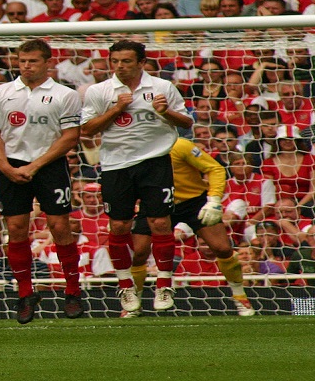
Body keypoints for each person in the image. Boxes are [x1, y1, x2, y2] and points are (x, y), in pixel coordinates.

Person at [80, 40, 193, 313]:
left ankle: (164, 284)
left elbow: (187, 122)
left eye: (127, 61)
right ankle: (126, 285)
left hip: (155, 162)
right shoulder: (99, 91)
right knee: (119, 226)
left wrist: (166, 112)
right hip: (115, 165)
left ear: (142, 63)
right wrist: (116, 109)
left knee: (160, 223)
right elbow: (87, 129)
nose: (120, 66)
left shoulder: (162, 87)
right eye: (115, 61)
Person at [0, 39, 84, 322]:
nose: (26, 66)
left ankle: (73, 291)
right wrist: (5, 166)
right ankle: (25, 293)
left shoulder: (65, 95)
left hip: (49, 166)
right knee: (15, 229)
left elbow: (71, 137)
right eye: (22, 61)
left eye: (33, 61)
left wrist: (36, 165)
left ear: (48, 62)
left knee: (60, 226)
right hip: (11, 166)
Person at [127, 138, 255, 317]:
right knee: (138, 252)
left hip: (193, 202)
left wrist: (214, 199)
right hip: (155, 203)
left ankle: (240, 297)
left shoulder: (180, 145)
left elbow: (215, 168)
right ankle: (133, 305)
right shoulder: (134, 147)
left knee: (223, 248)